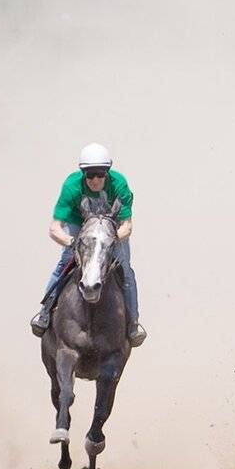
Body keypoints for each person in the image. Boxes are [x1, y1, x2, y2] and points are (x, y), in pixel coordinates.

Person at [32, 143, 146, 346]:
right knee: (65, 262)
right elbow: (55, 228)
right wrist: (72, 242)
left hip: (112, 230)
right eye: (89, 175)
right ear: (83, 173)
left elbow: (127, 226)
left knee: (126, 270)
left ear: (107, 172)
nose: (94, 180)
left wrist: (106, 241)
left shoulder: (119, 185)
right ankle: (44, 313)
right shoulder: (71, 186)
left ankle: (133, 323)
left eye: (100, 174)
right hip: (79, 225)